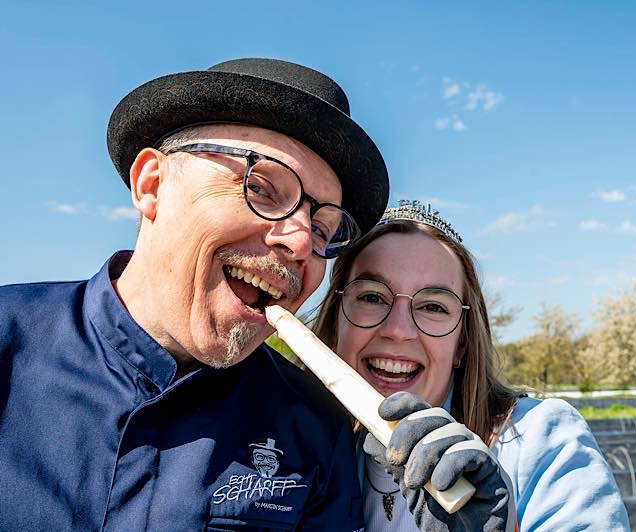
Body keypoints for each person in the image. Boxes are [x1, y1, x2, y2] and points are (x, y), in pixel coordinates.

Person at [0, 58, 390, 530]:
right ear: (153, 184)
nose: (302, 242)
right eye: (263, 189)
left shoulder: (315, 427)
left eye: (324, 228)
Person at [313, 200, 631, 531]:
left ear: (461, 345)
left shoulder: (539, 437)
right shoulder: (302, 446)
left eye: (433, 307)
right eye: (372, 297)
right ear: (337, 322)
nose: (397, 330)